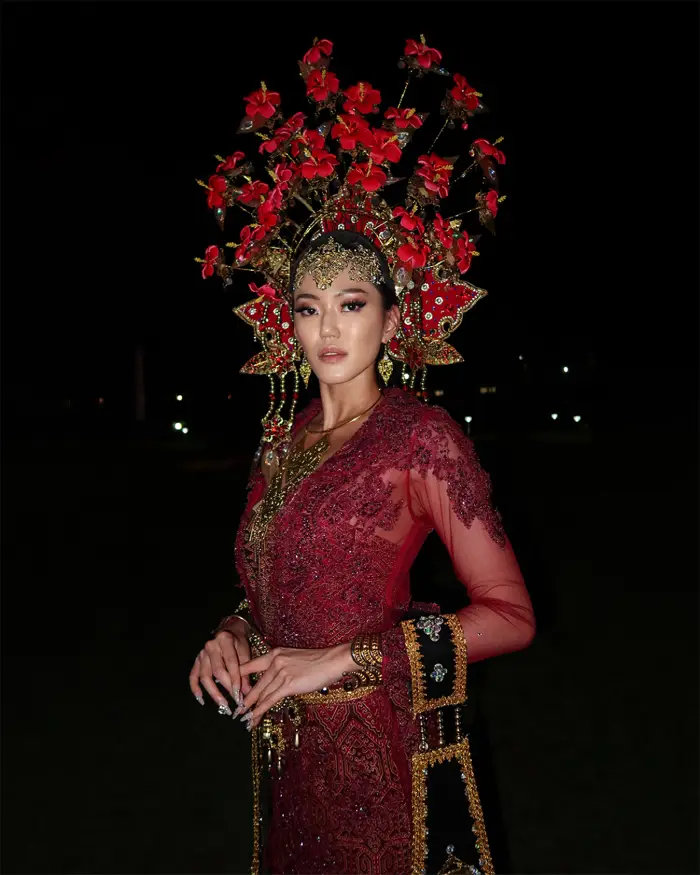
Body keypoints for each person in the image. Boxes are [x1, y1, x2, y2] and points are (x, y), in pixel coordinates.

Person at [189, 36, 535, 875]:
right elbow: (277, 587)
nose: (329, 328)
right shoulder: (284, 439)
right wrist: (233, 631)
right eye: (309, 307)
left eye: (351, 303)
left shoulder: (419, 437)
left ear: (393, 317)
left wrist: (345, 658)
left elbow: (510, 616)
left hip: (379, 760)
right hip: (286, 761)